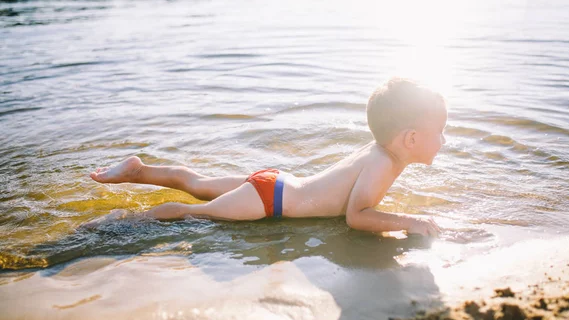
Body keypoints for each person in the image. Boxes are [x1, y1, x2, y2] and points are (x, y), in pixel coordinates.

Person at [89, 77, 446, 237]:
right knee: (191, 211)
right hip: (268, 200)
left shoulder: (376, 152)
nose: (444, 140)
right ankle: (122, 223)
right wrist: (408, 221)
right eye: (440, 131)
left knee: (197, 184)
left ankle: (139, 171)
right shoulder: (385, 162)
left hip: (275, 183)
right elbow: (356, 216)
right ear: (411, 138)